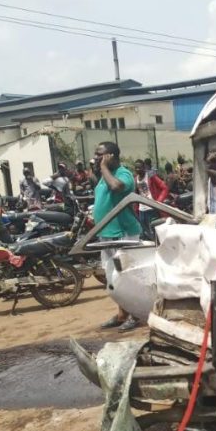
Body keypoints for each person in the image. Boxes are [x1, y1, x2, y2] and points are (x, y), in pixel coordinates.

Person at [92, 142, 142, 332]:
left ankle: (135, 314)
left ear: (111, 156)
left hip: (123, 233)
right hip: (106, 234)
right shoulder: (104, 176)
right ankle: (122, 314)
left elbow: (116, 187)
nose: (97, 158)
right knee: (113, 277)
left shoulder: (123, 173)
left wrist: (103, 167)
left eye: (100, 155)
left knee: (128, 277)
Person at [134, 158, 168, 240]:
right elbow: (136, 194)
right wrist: (136, 208)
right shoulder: (135, 179)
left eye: (140, 167)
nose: (138, 169)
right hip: (141, 209)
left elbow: (164, 188)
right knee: (145, 232)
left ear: (144, 168)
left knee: (155, 231)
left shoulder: (151, 176)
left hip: (152, 208)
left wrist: (158, 202)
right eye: (136, 168)